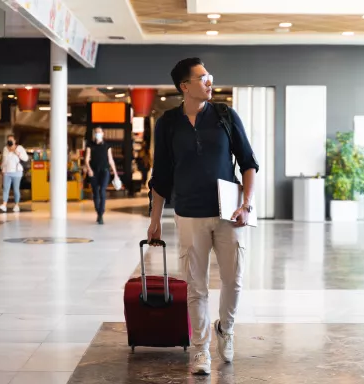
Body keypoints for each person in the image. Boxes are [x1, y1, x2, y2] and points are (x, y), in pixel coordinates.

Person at [147, 58, 259, 375]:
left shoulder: (225, 115)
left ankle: (225, 328)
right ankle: (200, 350)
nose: (210, 81)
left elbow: (249, 162)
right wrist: (155, 219)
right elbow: (161, 175)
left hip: (228, 214)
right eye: (203, 77)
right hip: (188, 214)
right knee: (195, 287)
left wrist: (246, 204)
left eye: (209, 75)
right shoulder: (167, 123)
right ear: (185, 86)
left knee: (233, 281)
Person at [85, 127, 119, 224]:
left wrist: (115, 174)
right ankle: (98, 211)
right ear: (94, 134)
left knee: (102, 190)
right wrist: (89, 169)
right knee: (95, 192)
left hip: (105, 171)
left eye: (99, 132)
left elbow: (110, 160)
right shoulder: (90, 145)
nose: (98, 134)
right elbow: (87, 159)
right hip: (93, 172)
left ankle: (101, 213)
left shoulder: (107, 146)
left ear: (103, 134)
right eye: (96, 132)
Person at [0, 134, 28, 212]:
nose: (10, 141)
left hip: (17, 172)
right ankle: (4, 204)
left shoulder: (20, 148)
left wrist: (16, 151)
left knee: (15, 189)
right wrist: (2, 169)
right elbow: (4, 160)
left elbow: (26, 158)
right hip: (7, 172)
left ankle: (16, 205)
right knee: (5, 188)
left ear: (15, 141)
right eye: (8, 140)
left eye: (11, 140)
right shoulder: (5, 148)